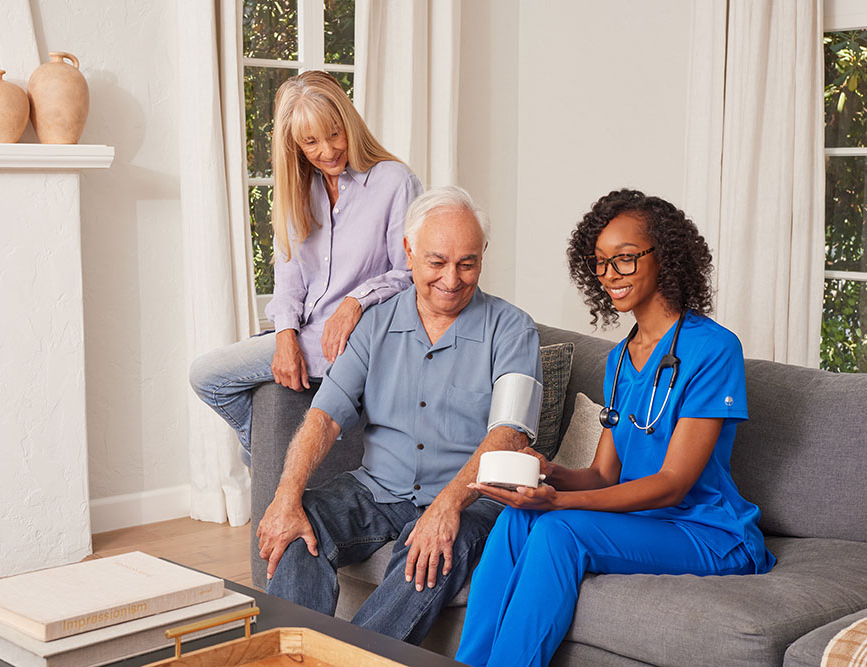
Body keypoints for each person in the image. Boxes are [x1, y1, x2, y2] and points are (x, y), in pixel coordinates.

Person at [456, 189, 776, 667]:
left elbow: (672, 485)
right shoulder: (620, 359)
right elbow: (605, 475)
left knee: (561, 530)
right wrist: (548, 473)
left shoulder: (714, 350)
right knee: (518, 517)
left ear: (665, 257)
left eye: (624, 259)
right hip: (639, 520)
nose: (609, 275)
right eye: (600, 262)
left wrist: (559, 502)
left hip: (706, 529)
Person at [256, 186, 542, 644]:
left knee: (427, 551)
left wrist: (446, 507)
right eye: (437, 262)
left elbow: (509, 433)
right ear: (408, 251)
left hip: (470, 498)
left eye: (467, 263)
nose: (452, 278)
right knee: (295, 526)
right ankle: (295, 655)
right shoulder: (375, 323)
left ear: (483, 255)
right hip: (378, 489)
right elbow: (325, 416)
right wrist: (286, 497)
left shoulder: (512, 330)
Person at [189, 71, 422, 466]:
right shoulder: (298, 189)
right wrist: (284, 336)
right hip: (307, 336)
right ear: (294, 144)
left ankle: (262, 463)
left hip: (358, 341)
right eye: (310, 142)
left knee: (208, 375)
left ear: (349, 124)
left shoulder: (395, 181)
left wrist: (355, 301)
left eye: (334, 134)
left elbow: (412, 272)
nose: (328, 150)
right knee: (209, 377)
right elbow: (289, 279)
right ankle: (264, 460)